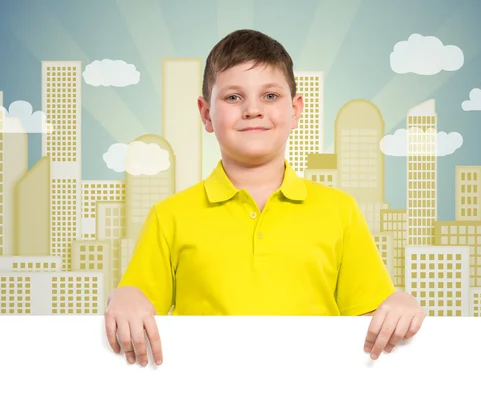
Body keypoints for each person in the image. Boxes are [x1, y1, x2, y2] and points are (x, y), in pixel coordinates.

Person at [104, 29, 425, 368]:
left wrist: (399, 304)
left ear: (296, 110)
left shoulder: (339, 211)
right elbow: (137, 308)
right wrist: (125, 296)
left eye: (270, 96)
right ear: (205, 114)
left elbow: (372, 319)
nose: (253, 110)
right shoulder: (169, 215)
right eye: (233, 98)